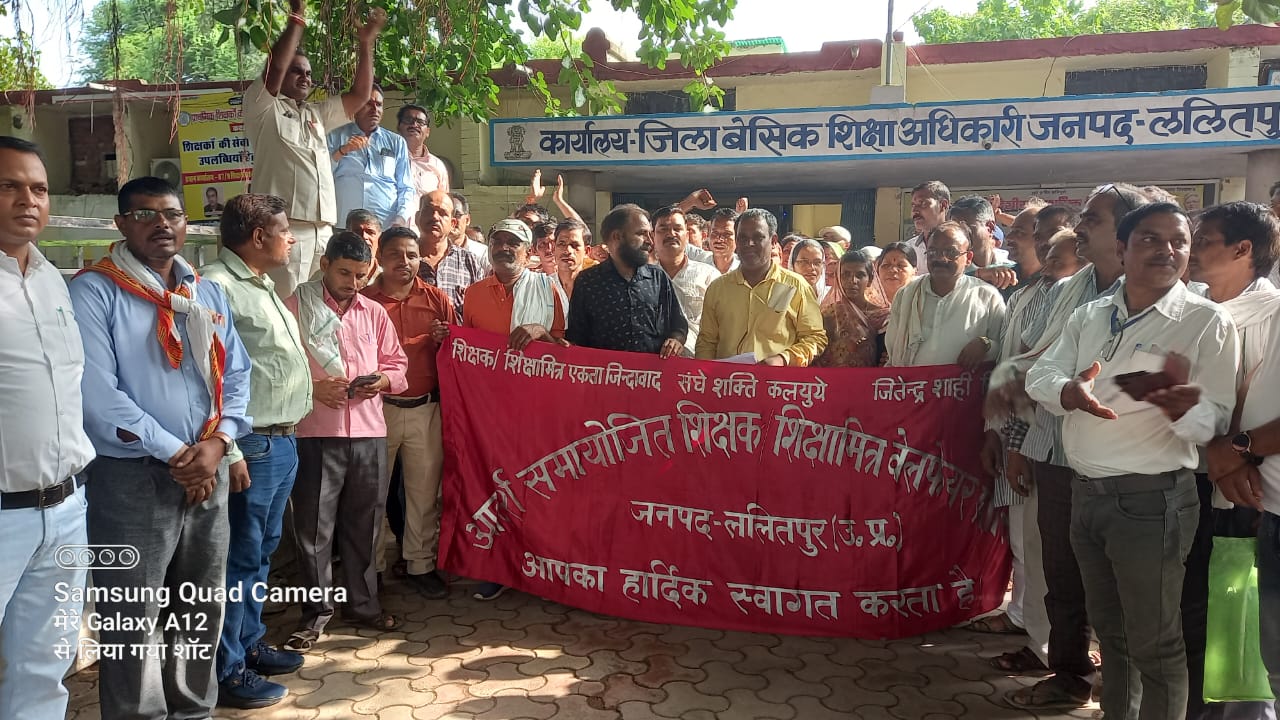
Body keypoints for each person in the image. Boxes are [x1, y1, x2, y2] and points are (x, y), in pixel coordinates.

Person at [1026, 202, 1239, 720]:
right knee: (1114, 638)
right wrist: (1069, 392)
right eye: (1149, 239)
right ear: (1121, 249)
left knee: (1156, 646)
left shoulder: (1205, 321)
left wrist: (1178, 405)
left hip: (1151, 504)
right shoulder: (1091, 314)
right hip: (1086, 494)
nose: (1167, 250)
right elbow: (1041, 375)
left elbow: (1215, 421)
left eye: (1179, 241)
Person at [71, 176, 253, 719]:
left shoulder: (205, 293)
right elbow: (99, 396)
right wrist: (181, 455)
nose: (161, 225)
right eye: (145, 215)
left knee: (200, 606)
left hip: (207, 469)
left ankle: (194, 710)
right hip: (132, 478)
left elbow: (236, 374)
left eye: (172, 214)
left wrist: (219, 443)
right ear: (121, 224)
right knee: (134, 617)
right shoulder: (95, 291)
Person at [1001, 183, 1153, 713]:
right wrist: (1018, 444)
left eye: (1093, 219)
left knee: (1118, 586)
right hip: (1055, 453)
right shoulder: (1070, 289)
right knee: (1061, 575)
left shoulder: (1159, 294)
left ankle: (1124, 689)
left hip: (1123, 463)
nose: (1079, 228)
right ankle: (1069, 675)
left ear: (1127, 231)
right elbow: (1032, 367)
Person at [201, 193, 313, 708]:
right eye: (285, 230)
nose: (291, 239)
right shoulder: (216, 286)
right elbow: (210, 376)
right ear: (259, 236)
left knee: (261, 554)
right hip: (250, 444)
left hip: (281, 439)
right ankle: (227, 671)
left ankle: (248, 645)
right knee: (239, 558)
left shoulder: (260, 283)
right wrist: (229, 451)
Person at [0, 136, 96, 720]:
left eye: (38, 188)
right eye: (8, 186)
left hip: (63, 511)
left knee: (45, 667)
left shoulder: (51, 278)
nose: (27, 200)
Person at [284, 231, 408, 651]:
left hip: (369, 432)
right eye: (343, 273)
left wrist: (382, 380)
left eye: (360, 275)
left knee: (365, 525)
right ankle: (315, 616)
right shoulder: (295, 307)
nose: (352, 283)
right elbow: (279, 368)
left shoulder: (373, 312)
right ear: (324, 265)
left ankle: (363, 605)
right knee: (314, 531)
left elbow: (398, 364)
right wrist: (314, 389)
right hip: (317, 433)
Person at [1187, 201, 1280, 720]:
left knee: (1242, 611)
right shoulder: (1191, 307)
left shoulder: (1271, 314)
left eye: (1203, 241)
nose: (1191, 250)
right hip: (1190, 475)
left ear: (1243, 250)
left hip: (1248, 488)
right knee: (1195, 609)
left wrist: (1236, 454)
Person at [455, 218, 568, 602]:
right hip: (488, 411)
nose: (504, 248)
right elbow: (466, 349)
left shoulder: (547, 289)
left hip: (535, 409)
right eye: (497, 241)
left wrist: (540, 332)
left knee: (538, 487)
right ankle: (498, 567)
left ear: (528, 250)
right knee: (495, 486)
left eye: (513, 243)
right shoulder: (473, 294)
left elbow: (567, 352)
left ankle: (539, 565)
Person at [242, 0, 384, 297]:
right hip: (285, 231)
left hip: (324, 232)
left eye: (308, 73)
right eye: (296, 71)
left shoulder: (315, 114)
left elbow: (360, 96)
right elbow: (274, 68)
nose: (305, 78)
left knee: (322, 309)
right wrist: (298, 17)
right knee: (287, 308)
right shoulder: (263, 108)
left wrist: (366, 43)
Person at [361, 227, 456, 601]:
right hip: (376, 411)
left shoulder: (436, 299)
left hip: (425, 409)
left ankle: (421, 564)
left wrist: (445, 338)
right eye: (395, 254)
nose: (404, 261)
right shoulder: (364, 301)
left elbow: (458, 351)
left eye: (412, 254)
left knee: (423, 493)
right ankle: (371, 570)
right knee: (371, 495)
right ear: (379, 257)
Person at [696, 208, 827, 365]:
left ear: (773, 241)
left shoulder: (796, 286)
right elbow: (706, 342)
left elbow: (815, 338)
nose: (749, 244)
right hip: (726, 378)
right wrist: (707, 372)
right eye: (743, 238)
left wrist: (784, 359)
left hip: (776, 379)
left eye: (758, 237)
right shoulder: (717, 289)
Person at [566, 204, 688, 357]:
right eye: (641, 234)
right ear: (617, 236)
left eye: (650, 234)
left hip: (653, 371)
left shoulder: (658, 278)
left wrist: (675, 340)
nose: (650, 241)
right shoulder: (588, 282)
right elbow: (577, 338)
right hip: (605, 370)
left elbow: (678, 325)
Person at [885, 221, 1006, 370]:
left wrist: (985, 344)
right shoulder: (906, 295)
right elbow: (893, 350)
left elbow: (1005, 347)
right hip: (913, 383)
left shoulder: (987, 296)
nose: (940, 258)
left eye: (951, 252)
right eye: (932, 252)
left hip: (964, 384)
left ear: (968, 258)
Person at [328, 86, 415, 230]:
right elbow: (322, 175)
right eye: (369, 104)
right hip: (344, 224)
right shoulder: (335, 136)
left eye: (379, 104)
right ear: (356, 106)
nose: (375, 109)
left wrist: (401, 218)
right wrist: (343, 150)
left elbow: (406, 187)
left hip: (384, 226)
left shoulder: (396, 142)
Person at [654, 205, 720, 346]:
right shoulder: (643, 278)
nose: (671, 234)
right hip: (652, 357)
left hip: (697, 356)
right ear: (652, 235)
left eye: (677, 229)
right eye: (663, 229)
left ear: (687, 235)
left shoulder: (709, 276)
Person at [813, 248, 889, 368]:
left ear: (870, 280)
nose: (852, 281)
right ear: (838, 278)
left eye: (860, 275)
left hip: (869, 378)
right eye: (846, 275)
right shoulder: (829, 314)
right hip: (829, 377)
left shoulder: (882, 317)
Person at [416, 190, 484, 318]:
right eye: (429, 211)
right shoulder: (404, 260)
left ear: (453, 224)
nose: (435, 217)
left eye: (442, 213)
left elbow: (480, 313)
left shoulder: (469, 262)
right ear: (417, 218)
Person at [396, 104, 450, 196]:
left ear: (427, 132)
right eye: (408, 120)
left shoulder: (437, 166)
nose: (414, 125)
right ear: (399, 128)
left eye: (420, 122)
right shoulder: (388, 160)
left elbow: (443, 200)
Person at [906, 180, 951, 274]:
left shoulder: (961, 245)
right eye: (913, 205)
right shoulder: (908, 248)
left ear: (943, 205)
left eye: (922, 203)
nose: (914, 210)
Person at [551, 218, 591, 309]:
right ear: (553, 248)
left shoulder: (597, 289)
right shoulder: (542, 287)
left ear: (586, 251)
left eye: (575, 245)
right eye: (562, 244)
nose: (567, 251)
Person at [448, 192, 491, 274]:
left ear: (467, 220)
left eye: (457, 215)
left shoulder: (482, 253)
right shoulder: (432, 251)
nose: (452, 220)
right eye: (447, 214)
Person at [789, 237, 830, 303]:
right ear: (792, 265)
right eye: (804, 262)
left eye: (817, 262)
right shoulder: (784, 296)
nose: (811, 267)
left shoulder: (830, 297)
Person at [874, 241, 917, 306]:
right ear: (877, 270)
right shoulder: (865, 301)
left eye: (900, 265)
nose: (892, 270)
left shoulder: (922, 301)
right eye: (886, 265)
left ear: (915, 271)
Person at [701, 207, 740, 274]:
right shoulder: (699, 266)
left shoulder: (745, 270)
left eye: (727, 234)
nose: (719, 239)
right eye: (715, 233)